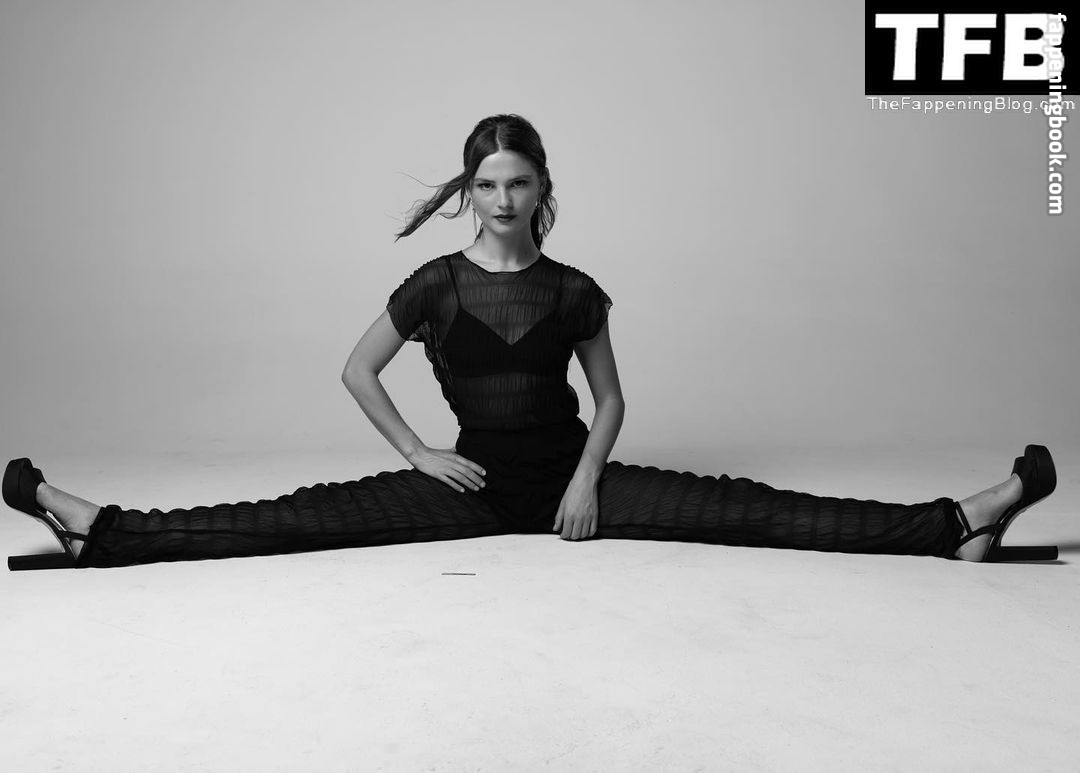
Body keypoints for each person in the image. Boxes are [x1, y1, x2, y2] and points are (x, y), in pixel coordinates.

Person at [3, 114, 1058, 571]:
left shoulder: (573, 289)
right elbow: (356, 368)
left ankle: (959, 520)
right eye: (487, 183)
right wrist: (417, 453)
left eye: (518, 181)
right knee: (286, 522)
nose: (502, 197)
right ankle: (97, 527)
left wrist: (588, 483)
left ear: (542, 185)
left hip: (569, 481)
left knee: (757, 510)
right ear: (470, 191)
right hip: (466, 486)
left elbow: (612, 400)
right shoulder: (435, 283)